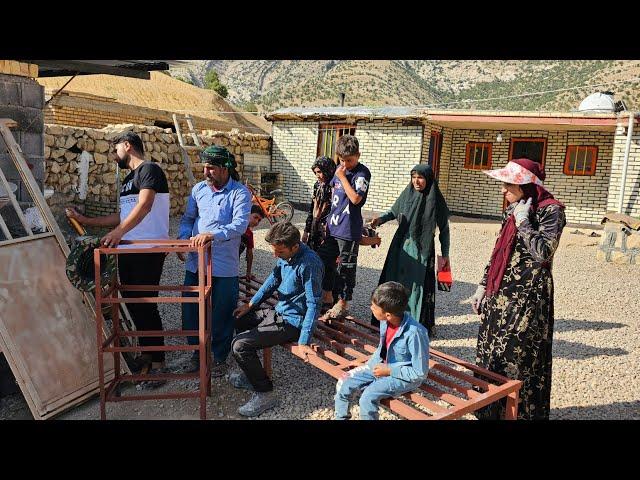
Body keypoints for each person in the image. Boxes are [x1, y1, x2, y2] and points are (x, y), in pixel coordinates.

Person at [66, 131, 170, 387]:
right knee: (134, 305)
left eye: (115, 150)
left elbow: (145, 205)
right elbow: (122, 215)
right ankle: (148, 356)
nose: (114, 156)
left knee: (146, 305)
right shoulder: (128, 179)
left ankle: (158, 364)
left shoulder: (150, 170)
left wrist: (119, 232)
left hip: (148, 250)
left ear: (127, 145)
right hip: (127, 250)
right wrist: (87, 221)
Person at [470, 158, 566, 420]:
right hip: (500, 292)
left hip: (528, 295)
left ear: (525, 185)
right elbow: (499, 251)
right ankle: (491, 411)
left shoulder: (552, 211)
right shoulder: (512, 208)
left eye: (508, 185)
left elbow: (544, 253)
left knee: (519, 354)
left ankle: (518, 413)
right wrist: (482, 286)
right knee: (492, 351)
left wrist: (524, 223)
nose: (503, 190)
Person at [230, 222, 324, 417]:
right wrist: (251, 304)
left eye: (279, 252)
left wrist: (304, 340)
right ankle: (252, 375)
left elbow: (314, 304)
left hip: (292, 322)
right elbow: (272, 280)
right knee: (239, 319)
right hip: (279, 312)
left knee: (240, 346)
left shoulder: (309, 264)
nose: (275, 255)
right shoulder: (286, 255)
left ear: (295, 247)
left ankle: (265, 393)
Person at [178, 145, 251, 377]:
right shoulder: (198, 189)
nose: (206, 172)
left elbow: (240, 225)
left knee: (222, 311)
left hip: (223, 266)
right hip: (196, 262)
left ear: (224, 168)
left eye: (211, 168)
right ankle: (196, 353)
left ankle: (219, 356)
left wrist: (212, 235)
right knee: (191, 308)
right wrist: (182, 238)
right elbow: (188, 218)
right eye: (204, 167)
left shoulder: (240, 193)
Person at [369, 164, 450, 337]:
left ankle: (412, 325)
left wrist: (445, 254)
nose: (416, 181)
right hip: (401, 246)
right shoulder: (407, 193)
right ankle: (389, 319)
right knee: (395, 283)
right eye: (413, 177)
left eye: (420, 177)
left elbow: (444, 229)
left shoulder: (436, 200)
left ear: (428, 179)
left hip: (422, 249)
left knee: (416, 288)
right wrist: (380, 220)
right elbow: (394, 211)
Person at [334, 281, 429, 420]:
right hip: (380, 367)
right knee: (344, 382)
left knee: (367, 398)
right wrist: (369, 365)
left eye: (374, 306)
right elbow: (382, 348)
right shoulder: (385, 321)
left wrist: (389, 370)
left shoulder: (415, 333)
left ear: (388, 314)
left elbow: (419, 372)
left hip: (402, 376)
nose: (371, 307)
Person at [317, 135, 371, 320]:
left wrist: (342, 176)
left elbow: (356, 199)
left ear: (358, 155)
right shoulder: (339, 171)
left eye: (350, 160)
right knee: (324, 260)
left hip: (348, 230)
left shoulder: (362, 174)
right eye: (342, 160)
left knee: (346, 268)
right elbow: (334, 196)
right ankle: (327, 295)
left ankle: (342, 302)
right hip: (333, 227)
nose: (346, 164)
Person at [239, 204, 266, 282]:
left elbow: (249, 254)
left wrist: (248, 272)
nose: (256, 222)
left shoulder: (249, 234)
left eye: (259, 220)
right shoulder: (235, 228)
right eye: (255, 217)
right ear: (247, 214)